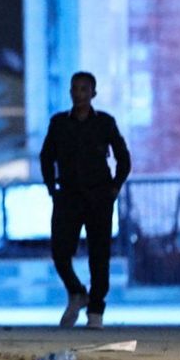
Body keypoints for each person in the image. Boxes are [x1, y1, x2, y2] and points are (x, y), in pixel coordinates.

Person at [40, 71, 131, 329]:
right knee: (60, 252)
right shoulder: (59, 123)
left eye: (84, 89)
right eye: (75, 89)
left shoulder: (105, 123)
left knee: (99, 256)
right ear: (70, 92)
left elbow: (123, 158)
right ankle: (77, 293)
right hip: (67, 195)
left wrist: (114, 187)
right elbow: (46, 157)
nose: (79, 94)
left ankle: (96, 310)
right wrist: (51, 188)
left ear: (93, 93)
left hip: (99, 197)